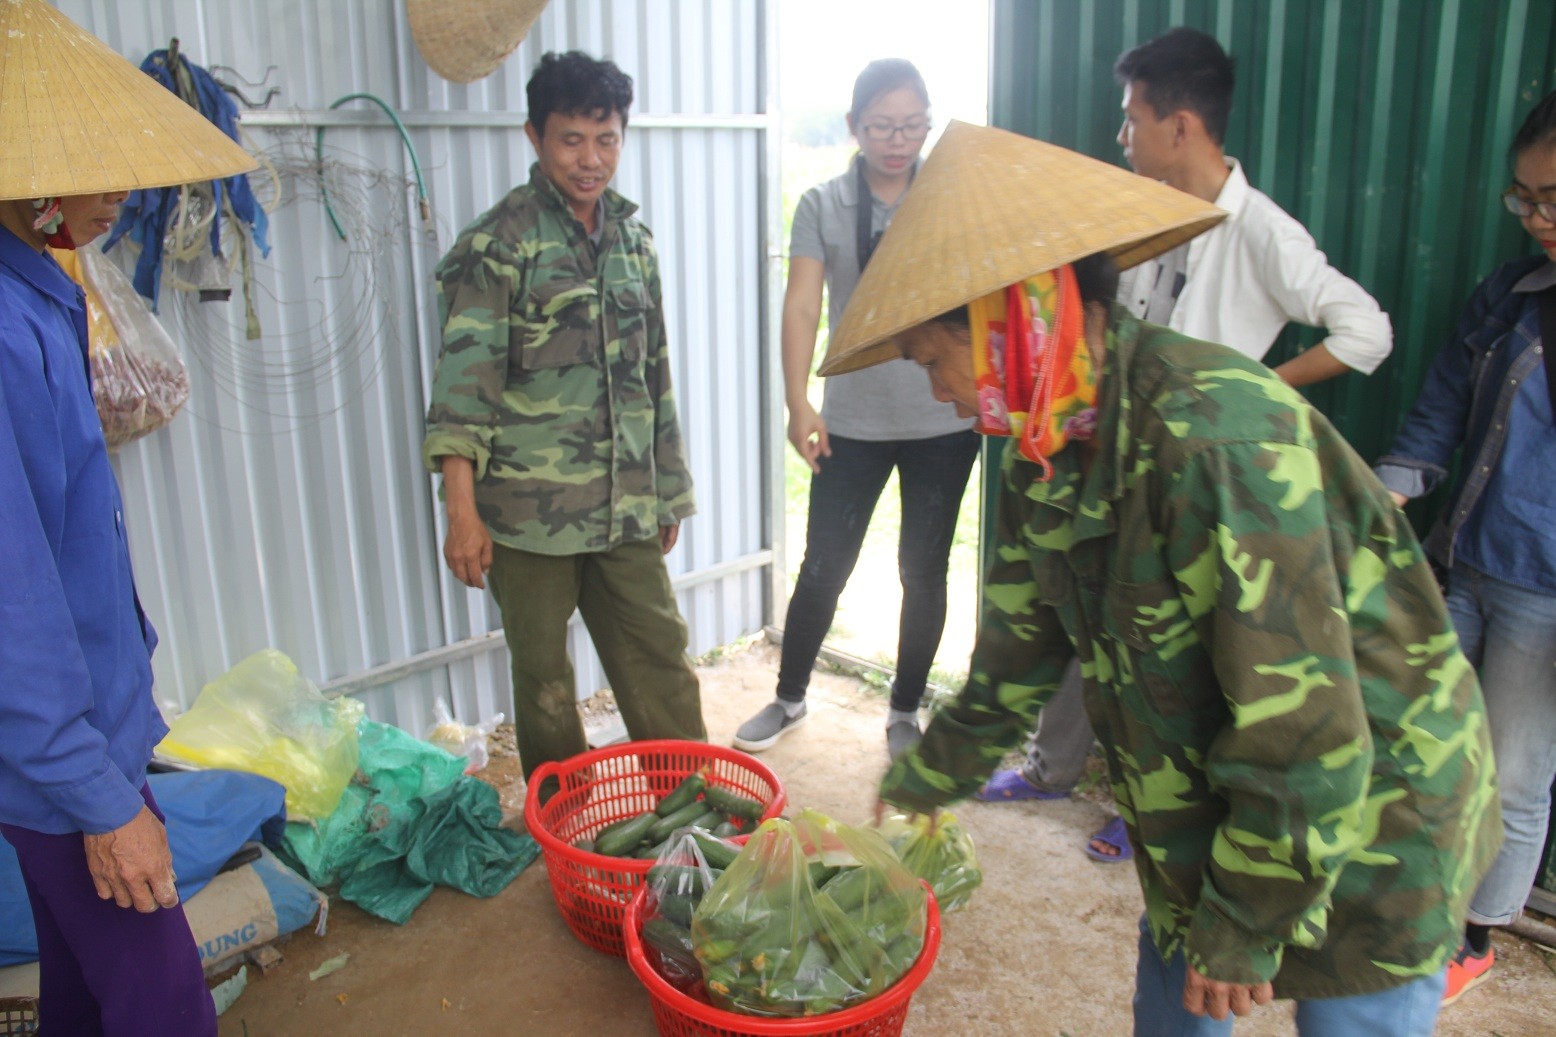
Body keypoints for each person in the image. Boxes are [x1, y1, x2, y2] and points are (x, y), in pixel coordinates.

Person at [822, 119, 1500, 1036]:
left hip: (1375, 818)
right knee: (1177, 1000)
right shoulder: (1038, 441)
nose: (937, 389)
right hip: (1222, 816)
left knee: (1342, 1010)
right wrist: (930, 776)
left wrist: (1245, 921)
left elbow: (1305, 728)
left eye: (935, 358)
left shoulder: (1213, 439)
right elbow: (1021, 643)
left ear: (1016, 322)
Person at [978, 27, 1395, 868]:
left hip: (1196, 478)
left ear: (1182, 127)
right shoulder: (1141, 211)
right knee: (1082, 608)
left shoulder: (1264, 231)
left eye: (1131, 120)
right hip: (1114, 458)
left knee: (1181, 653)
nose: (1121, 137)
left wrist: (1263, 387)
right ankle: (1051, 767)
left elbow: (1367, 329)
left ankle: (1152, 808)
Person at [0, 1, 260, 1031]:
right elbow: (13, 597)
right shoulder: (7, 328)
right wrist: (102, 800)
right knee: (161, 1002)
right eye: (92, 161)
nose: (119, 187)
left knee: (81, 989)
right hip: (63, 765)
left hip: (79, 741)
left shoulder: (44, 290)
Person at [423, 50, 706, 783]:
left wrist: (668, 487)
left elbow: (655, 375)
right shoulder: (500, 244)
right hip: (528, 515)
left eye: (606, 138)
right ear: (534, 137)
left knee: (660, 657)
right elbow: (464, 387)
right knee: (546, 682)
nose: (591, 158)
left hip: (625, 506)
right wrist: (461, 511)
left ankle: (696, 806)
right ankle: (571, 820)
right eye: (571, 139)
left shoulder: (633, 243)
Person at [732, 59, 978, 760]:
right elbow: (803, 302)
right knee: (824, 564)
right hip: (854, 420)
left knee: (923, 570)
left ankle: (904, 710)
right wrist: (796, 399)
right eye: (881, 125)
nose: (897, 140)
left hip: (945, 420)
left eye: (911, 125)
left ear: (929, 124)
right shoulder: (824, 205)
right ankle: (789, 696)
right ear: (854, 126)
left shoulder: (952, 197)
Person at [1374, 88, 1556, 1007]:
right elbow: (1444, 400)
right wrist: (1394, 481)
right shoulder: (1511, 291)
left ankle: (1474, 937)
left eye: (1552, 198)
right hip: (1462, 562)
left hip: (1546, 595)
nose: (1536, 219)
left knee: (1517, 772)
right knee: (1422, 739)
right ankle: (1410, 900)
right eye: (1523, 199)